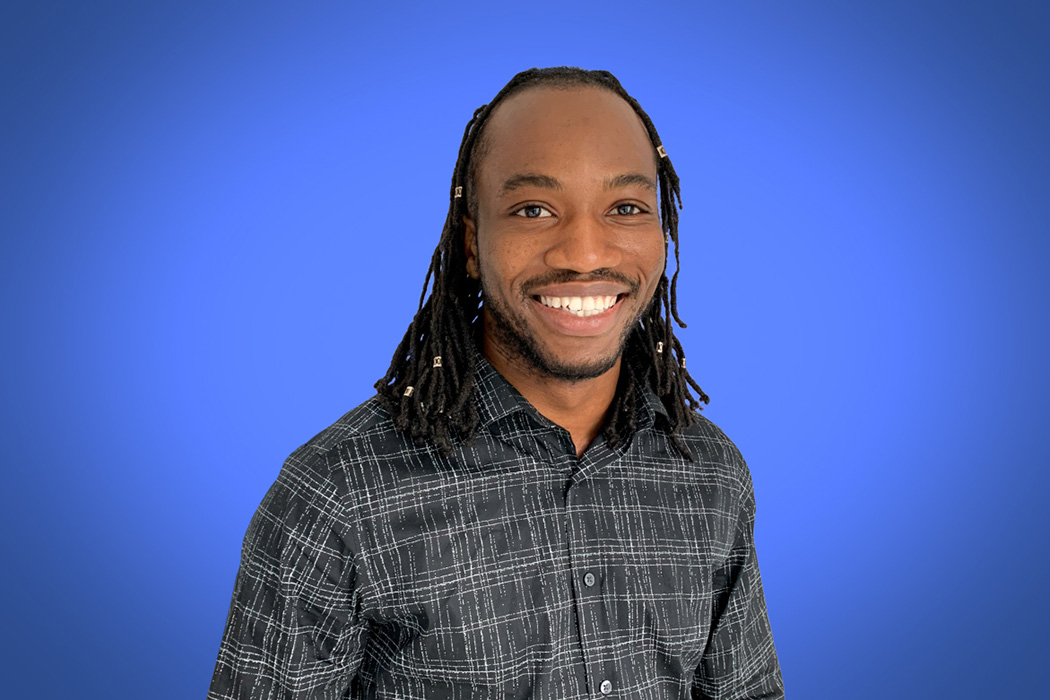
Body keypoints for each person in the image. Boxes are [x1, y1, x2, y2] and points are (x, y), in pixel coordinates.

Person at [208, 66, 784, 700]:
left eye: (625, 208)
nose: (585, 253)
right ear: (473, 243)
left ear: (662, 231)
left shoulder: (709, 472)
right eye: (533, 209)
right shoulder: (334, 497)